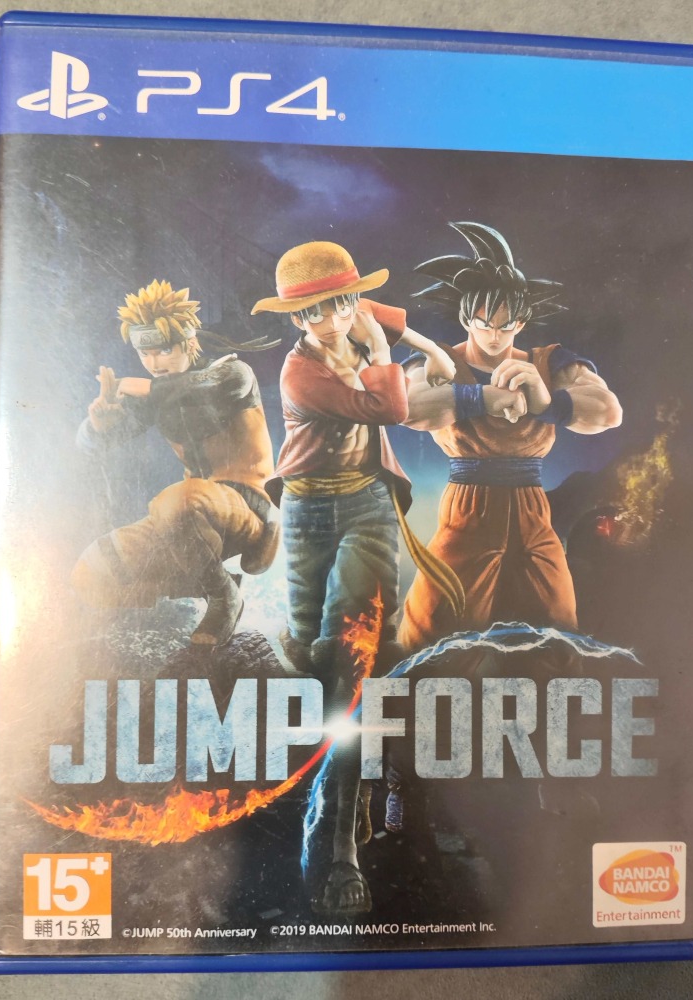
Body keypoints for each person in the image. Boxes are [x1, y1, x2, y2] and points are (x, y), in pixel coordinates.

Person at [386, 222, 622, 833]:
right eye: (485, 321)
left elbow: (607, 412)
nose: (495, 333)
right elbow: (406, 408)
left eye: (508, 322)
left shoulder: (550, 362)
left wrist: (549, 403)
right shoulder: (440, 361)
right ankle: (407, 783)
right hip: (468, 506)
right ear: (466, 314)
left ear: (522, 318)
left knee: (560, 637)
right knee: (430, 639)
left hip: (531, 506)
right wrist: (476, 400)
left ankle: (560, 779)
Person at [251, 241, 461, 914]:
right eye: (314, 310)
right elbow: (389, 409)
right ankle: (331, 788)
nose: (333, 317)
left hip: (369, 505)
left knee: (355, 656)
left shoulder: (356, 315)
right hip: (310, 512)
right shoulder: (299, 374)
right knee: (311, 659)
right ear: (296, 318)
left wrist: (432, 350)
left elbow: (390, 321)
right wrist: (380, 352)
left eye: (340, 302)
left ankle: (342, 846)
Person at [72, 279, 278, 646]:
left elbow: (197, 388)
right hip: (186, 525)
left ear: (188, 341)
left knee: (179, 500)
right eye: (145, 354)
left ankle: (223, 597)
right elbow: (91, 447)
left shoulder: (233, 374)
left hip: (247, 509)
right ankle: (212, 582)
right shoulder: (157, 395)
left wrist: (142, 387)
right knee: (90, 574)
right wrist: (98, 424)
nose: (154, 364)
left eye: (165, 350)